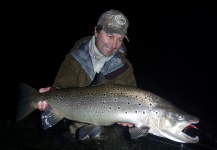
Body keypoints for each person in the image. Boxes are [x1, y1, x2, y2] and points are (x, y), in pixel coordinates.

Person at [37, 9, 137, 148]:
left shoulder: (124, 67)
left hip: (109, 127)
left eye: (119, 39)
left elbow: (132, 100)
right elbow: (63, 86)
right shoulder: (74, 58)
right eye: (110, 36)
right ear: (96, 31)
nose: (114, 45)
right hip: (77, 121)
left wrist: (131, 119)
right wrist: (54, 91)